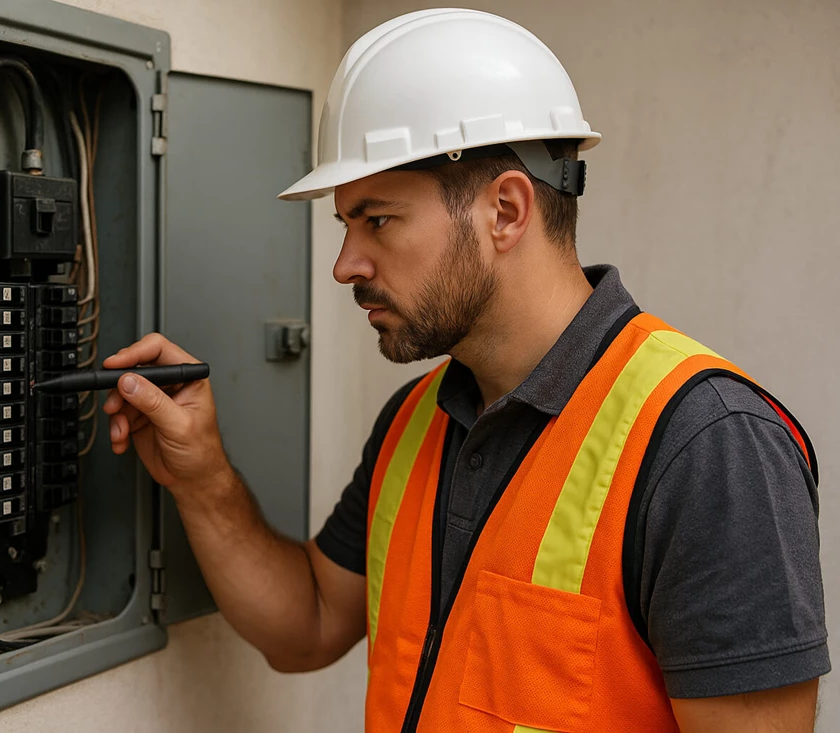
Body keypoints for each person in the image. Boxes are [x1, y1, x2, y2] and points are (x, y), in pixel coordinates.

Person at [102, 9, 827, 732]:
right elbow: (310, 624)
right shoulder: (416, 419)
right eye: (345, 224)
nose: (344, 264)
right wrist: (203, 475)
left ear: (506, 210)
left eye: (377, 220)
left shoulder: (707, 447)